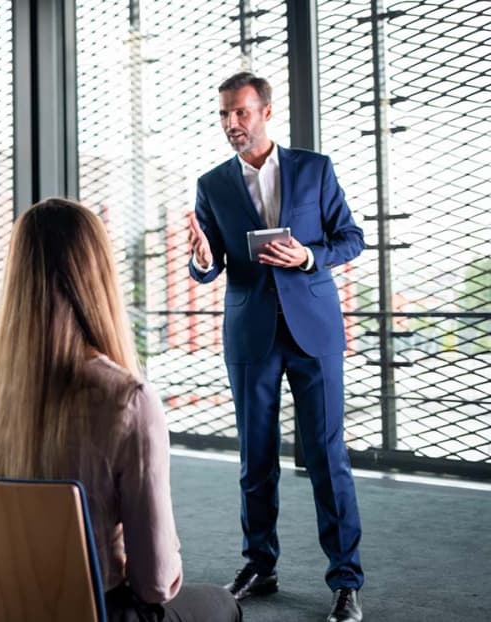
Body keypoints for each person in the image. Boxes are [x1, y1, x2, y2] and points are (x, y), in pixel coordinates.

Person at [0, 198, 240, 622]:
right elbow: (156, 583)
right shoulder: (128, 399)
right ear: (97, 277)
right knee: (224, 605)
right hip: (97, 610)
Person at [187, 72, 365, 622]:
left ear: (266, 110)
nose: (231, 124)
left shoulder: (315, 169)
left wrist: (307, 257)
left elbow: (350, 238)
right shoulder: (212, 184)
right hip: (250, 334)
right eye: (223, 115)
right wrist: (199, 259)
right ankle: (259, 564)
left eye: (240, 113)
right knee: (254, 457)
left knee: (328, 455)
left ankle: (345, 580)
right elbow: (210, 265)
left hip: (313, 332)